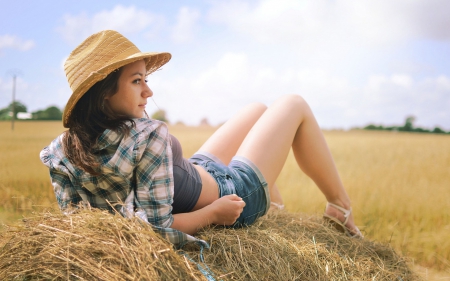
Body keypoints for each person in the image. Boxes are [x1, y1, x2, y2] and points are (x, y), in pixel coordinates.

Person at [40, 30, 362, 248]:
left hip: (195, 171)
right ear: (104, 94)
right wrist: (213, 214)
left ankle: (276, 205)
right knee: (294, 104)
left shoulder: (60, 151)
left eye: (146, 79)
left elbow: (79, 225)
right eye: (137, 81)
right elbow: (157, 228)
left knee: (258, 109)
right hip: (232, 191)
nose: (149, 92)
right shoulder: (147, 135)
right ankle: (340, 208)